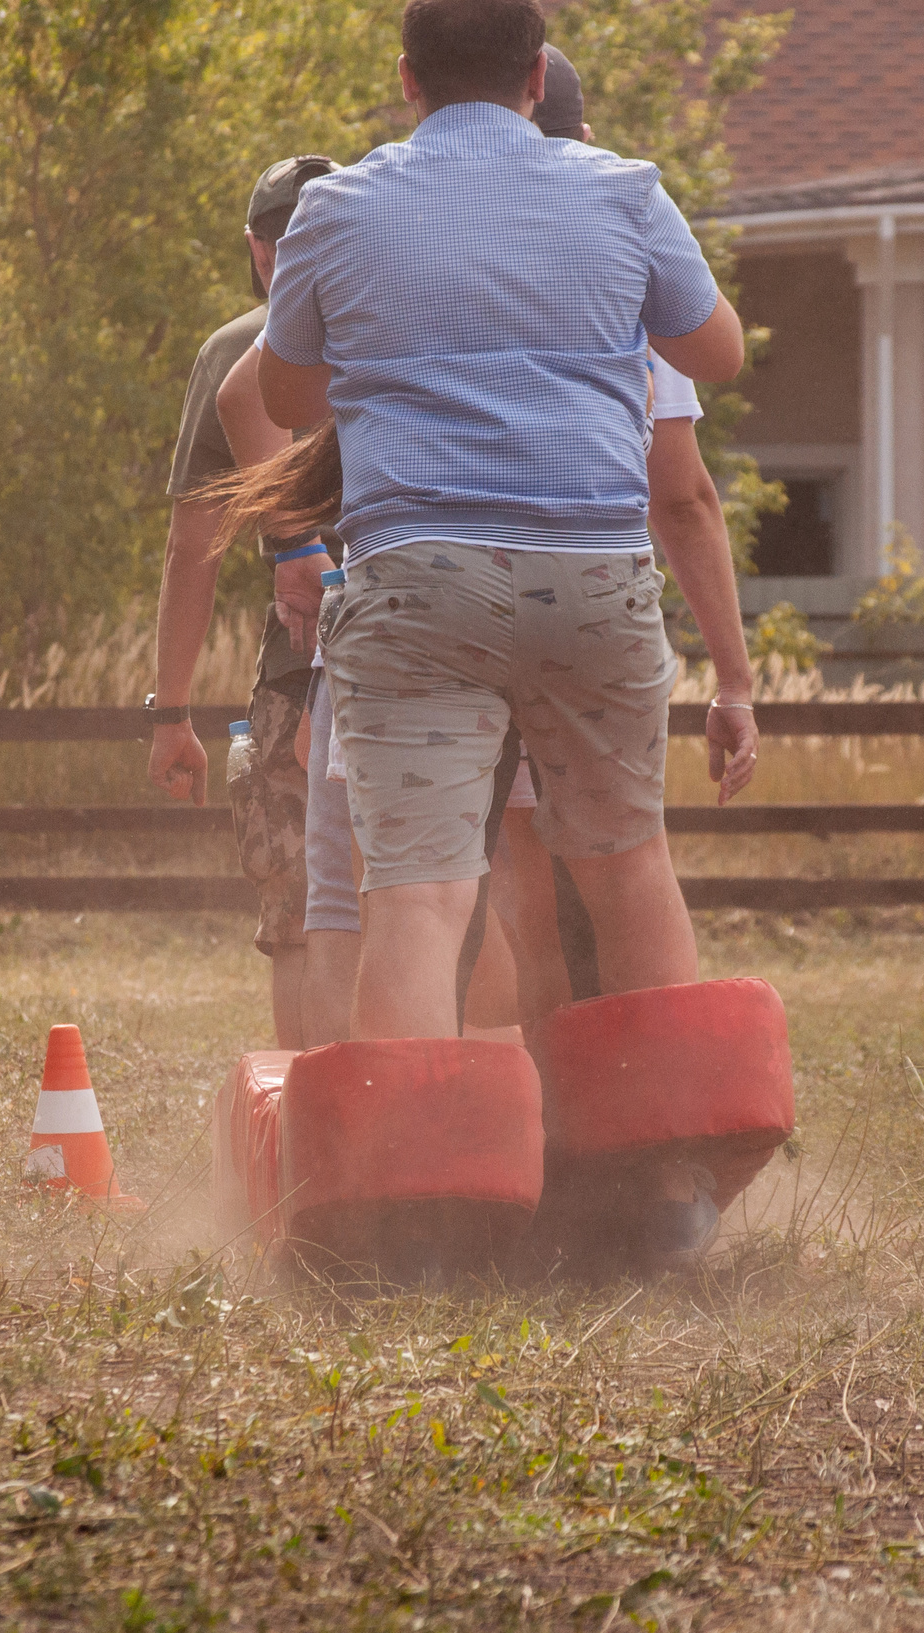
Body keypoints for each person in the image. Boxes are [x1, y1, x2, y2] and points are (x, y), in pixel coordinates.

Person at [215, 44, 761, 1046]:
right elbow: (716, 354)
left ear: (409, 77)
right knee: (629, 869)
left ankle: (415, 1190)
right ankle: (666, 1163)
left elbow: (286, 398)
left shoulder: (338, 210)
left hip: (416, 582)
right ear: (533, 77)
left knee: (417, 901)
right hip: (591, 574)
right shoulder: (627, 193)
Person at [144, 153, 339, 1047]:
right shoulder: (419, 318)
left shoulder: (238, 353)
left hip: (307, 663)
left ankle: (313, 1145)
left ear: (257, 252)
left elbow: (195, 549)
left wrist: (171, 713)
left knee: (300, 904)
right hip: (450, 634)